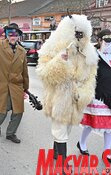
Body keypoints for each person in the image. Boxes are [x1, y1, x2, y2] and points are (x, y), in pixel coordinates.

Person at [36, 14, 99, 172]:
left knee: (67, 129)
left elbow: (91, 79)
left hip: (75, 99)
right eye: (76, 33)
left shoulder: (89, 52)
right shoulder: (53, 46)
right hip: (59, 96)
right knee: (61, 129)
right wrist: (59, 60)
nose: (79, 37)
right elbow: (43, 72)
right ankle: (63, 164)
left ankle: (56, 152)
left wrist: (84, 93)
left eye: (82, 34)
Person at [78, 29, 111, 163]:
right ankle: (82, 143)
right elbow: (85, 76)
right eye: (106, 40)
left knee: (110, 127)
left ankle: (107, 152)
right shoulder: (93, 57)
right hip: (98, 97)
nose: (110, 43)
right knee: (90, 125)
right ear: (99, 41)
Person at [0, 23, 29, 144]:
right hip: (2, 84)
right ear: (7, 35)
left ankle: (11, 133)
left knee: (18, 111)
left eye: (15, 34)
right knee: (3, 109)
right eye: (10, 34)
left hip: (16, 85)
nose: (13, 36)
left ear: (19, 36)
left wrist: (26, 89)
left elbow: (24, 71)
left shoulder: (22, 51)